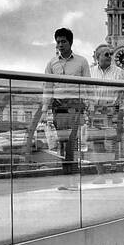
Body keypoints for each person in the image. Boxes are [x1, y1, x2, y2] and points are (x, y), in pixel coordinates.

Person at [41, 28, 91, 176]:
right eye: (58, 42)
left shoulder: (82, 61)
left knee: (73, 139)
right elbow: (47, 87)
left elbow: (87, 85)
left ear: (70, 43)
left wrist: (89, 104)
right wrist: (45, 109)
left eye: (63, 41)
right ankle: (66, 171)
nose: (60, 45)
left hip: (76, 105)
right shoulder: (51, 63)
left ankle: (73, 170)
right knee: (62, 139)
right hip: (59, 105)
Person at [89, 45, 124, 174]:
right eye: (106, 54)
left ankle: (113, 171)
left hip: (112, 110)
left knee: (112, 142)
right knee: (97, 143)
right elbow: (86, 92)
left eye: (111, 54)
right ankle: (100, 173)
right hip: (96, 110)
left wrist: (121, 114)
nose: (110, 57)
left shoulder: (119, 72)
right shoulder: (90, 72)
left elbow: (123, 95)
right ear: (98, 56)